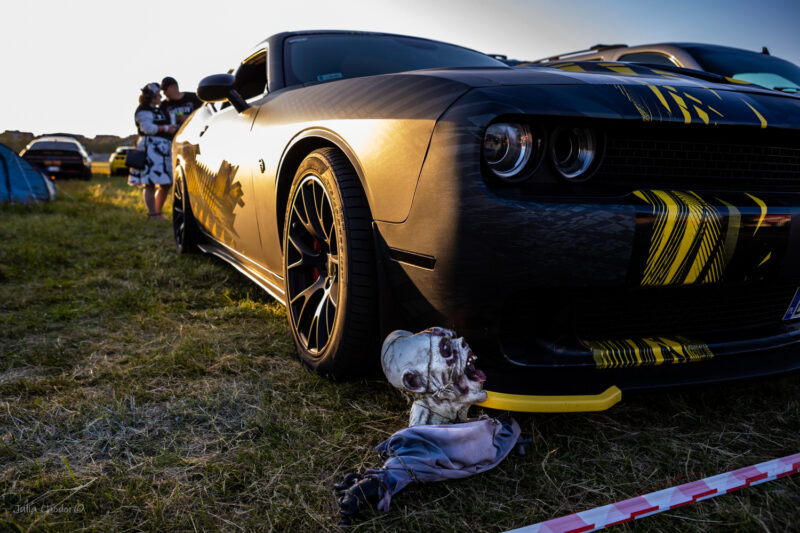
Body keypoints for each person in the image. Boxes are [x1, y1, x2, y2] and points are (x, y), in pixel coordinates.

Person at [129, 82, 176, 220]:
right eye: (157, 95)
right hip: (150, 148)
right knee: (149, 183)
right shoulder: (143, 110)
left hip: (164, 148)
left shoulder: (159, 109)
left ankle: (157, 211)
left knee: (166, 183)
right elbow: (148, 128)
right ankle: (152, 213)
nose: (160, 97)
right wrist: (167, 128)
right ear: (151, 97)